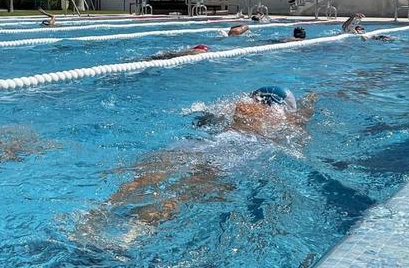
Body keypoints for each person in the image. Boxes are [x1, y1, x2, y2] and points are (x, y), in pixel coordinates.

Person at [76, 86, 316, 245]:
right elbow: (298, 129)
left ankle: (92, 215)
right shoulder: (282, 120)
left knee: (144, 178)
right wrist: (309, 106)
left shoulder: (240, 106)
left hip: (199, 143)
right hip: (239, 148)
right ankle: (133, 233)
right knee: (185, 191)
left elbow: (201, 118)